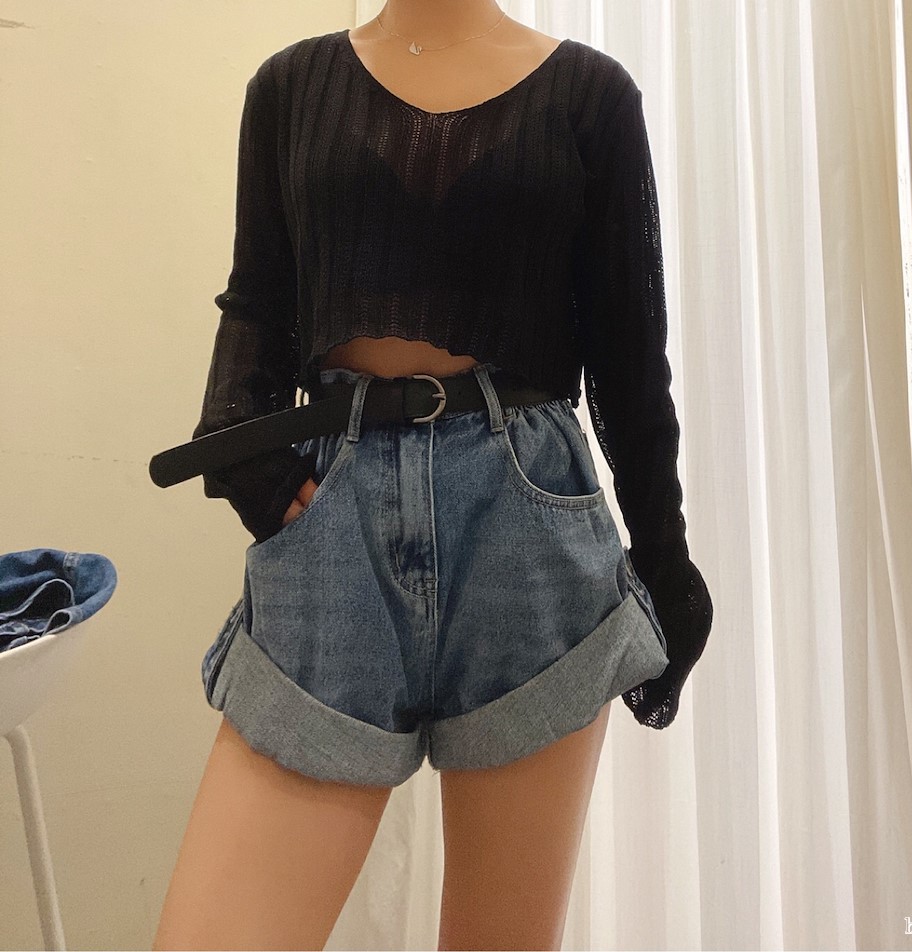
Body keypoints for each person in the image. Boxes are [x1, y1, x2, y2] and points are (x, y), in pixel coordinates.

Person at [153, 2, 714, 948]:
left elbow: (630, 347)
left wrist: (665, 553)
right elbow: (257, 298)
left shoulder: (592, 96)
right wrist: (241, 443)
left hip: (527, 535)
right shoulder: (289, 87)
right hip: (334, 526)